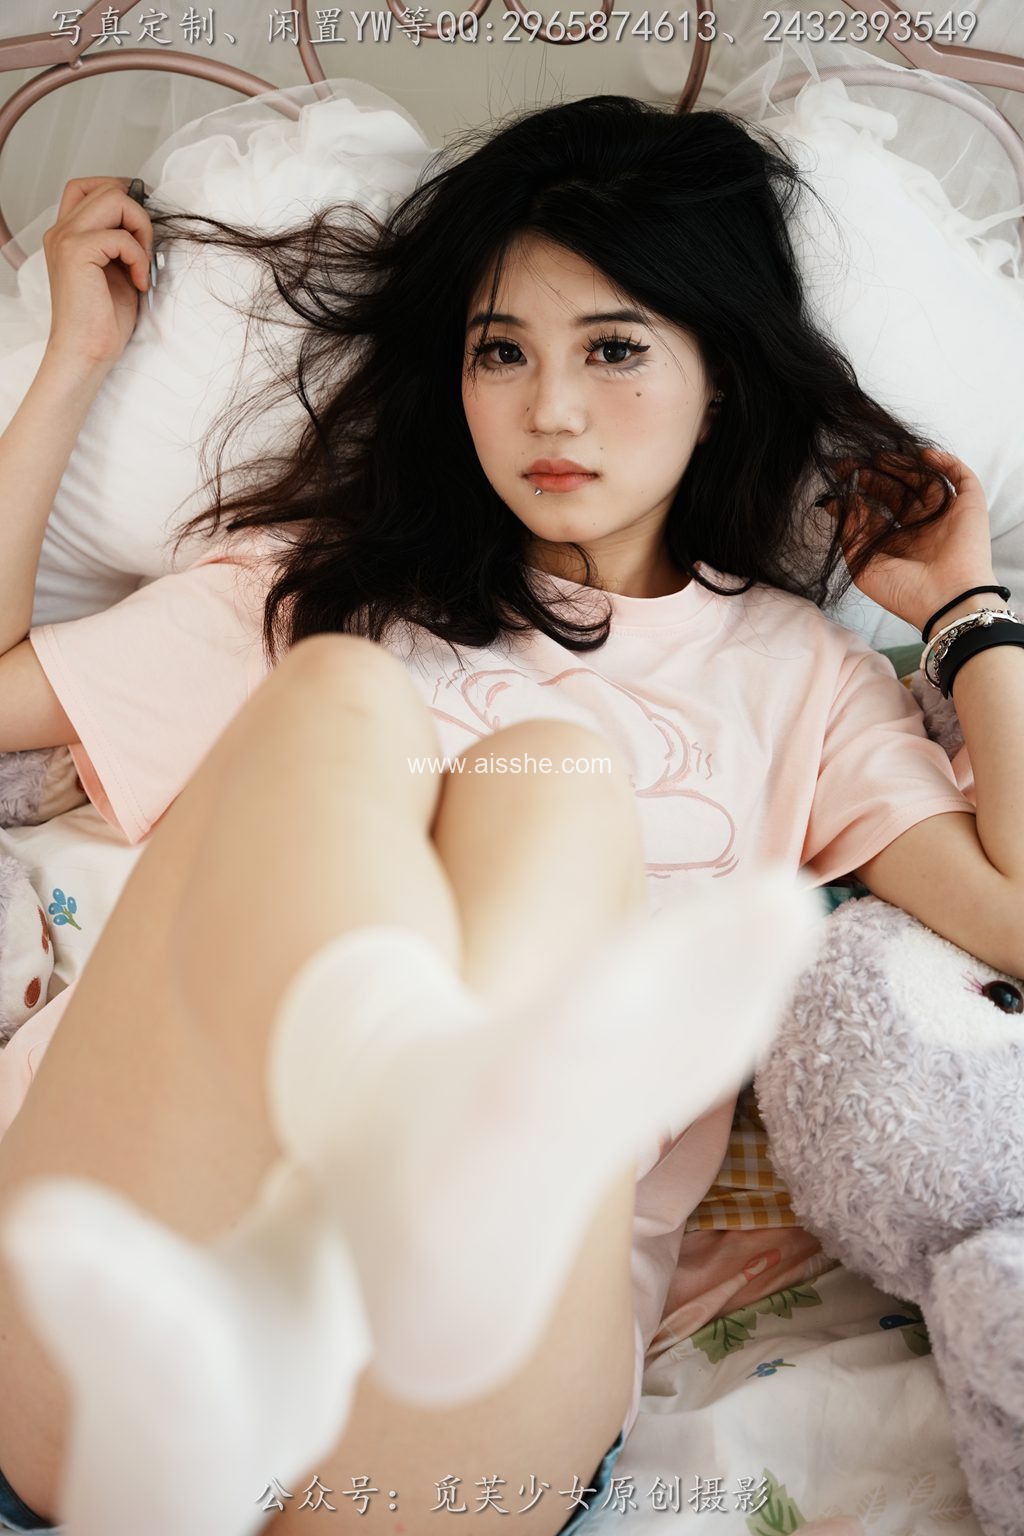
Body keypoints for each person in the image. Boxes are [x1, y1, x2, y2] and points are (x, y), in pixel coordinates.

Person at [0, 93, 1020, 1536]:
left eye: (614, 348)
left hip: (450, 1409)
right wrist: (69, 367)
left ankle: (417, 1190)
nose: (549, 409)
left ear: (723, 375)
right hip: (136, 1308)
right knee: (343, 703)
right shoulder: (320, 594)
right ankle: (342, 1177)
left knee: (554, 795)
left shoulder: (802, 678)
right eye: (501, 350)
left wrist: (969, 611)